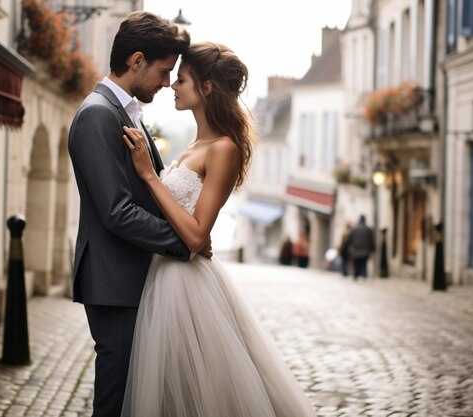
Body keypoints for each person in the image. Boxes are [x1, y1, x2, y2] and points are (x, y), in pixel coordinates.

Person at [121, 42, 316, 417]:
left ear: (206, 87)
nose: (172, 86)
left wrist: (148, 174)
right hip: (161, 276)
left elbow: (195, 236)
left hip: (186, 286)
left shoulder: (223, 148)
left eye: (181, 80)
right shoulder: (193, 145)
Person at [67, 12, 212, 417]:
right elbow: (116, 211)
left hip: (132, 278)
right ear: (136, 61)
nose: (167, 83)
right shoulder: (98, 114)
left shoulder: (124, 110)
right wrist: (185, 243)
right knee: (113, 402)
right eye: (164, 72)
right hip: (114, 283)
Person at [346, 214, 375, 279]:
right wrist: (373, 249)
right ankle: (364, 276)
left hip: (356, 250)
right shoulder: (368, 229)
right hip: (365, 250)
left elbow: (349, 240)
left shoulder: (354, 229)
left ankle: (356, 276)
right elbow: (371, 240)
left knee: (356, 264)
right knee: (364, 264)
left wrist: (349, 248)